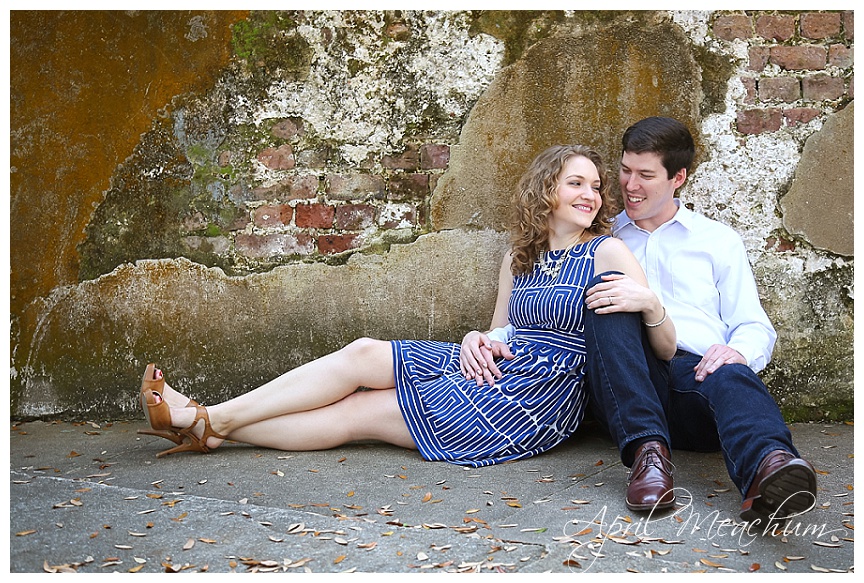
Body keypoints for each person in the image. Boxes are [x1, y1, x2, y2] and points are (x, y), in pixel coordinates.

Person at [138, 144, 676, 469]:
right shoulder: (521, 255)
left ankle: (205, 421)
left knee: (357, 415)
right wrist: (474, 340)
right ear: (547, 191)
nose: (592, 195)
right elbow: (501, 330)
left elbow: (662, 347)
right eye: (576, 183)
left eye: (597, 187)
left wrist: (652, 305)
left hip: (538, 398)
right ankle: (206, 425)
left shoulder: (607, 250)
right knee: (363, 355)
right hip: (497, 366)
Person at [580, 117, 817, 526]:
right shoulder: (601, 238)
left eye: (646, 175)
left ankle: (771, 470)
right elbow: (542, 296)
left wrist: (736, 350)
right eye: (625, 170)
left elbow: (754, 325)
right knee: (611, 297)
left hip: (698, 382)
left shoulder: (716, 240)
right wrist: (491, 334)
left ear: (679, 177)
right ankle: (648, 457)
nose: (630, 185)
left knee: (731, 371)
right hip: (628, 382)